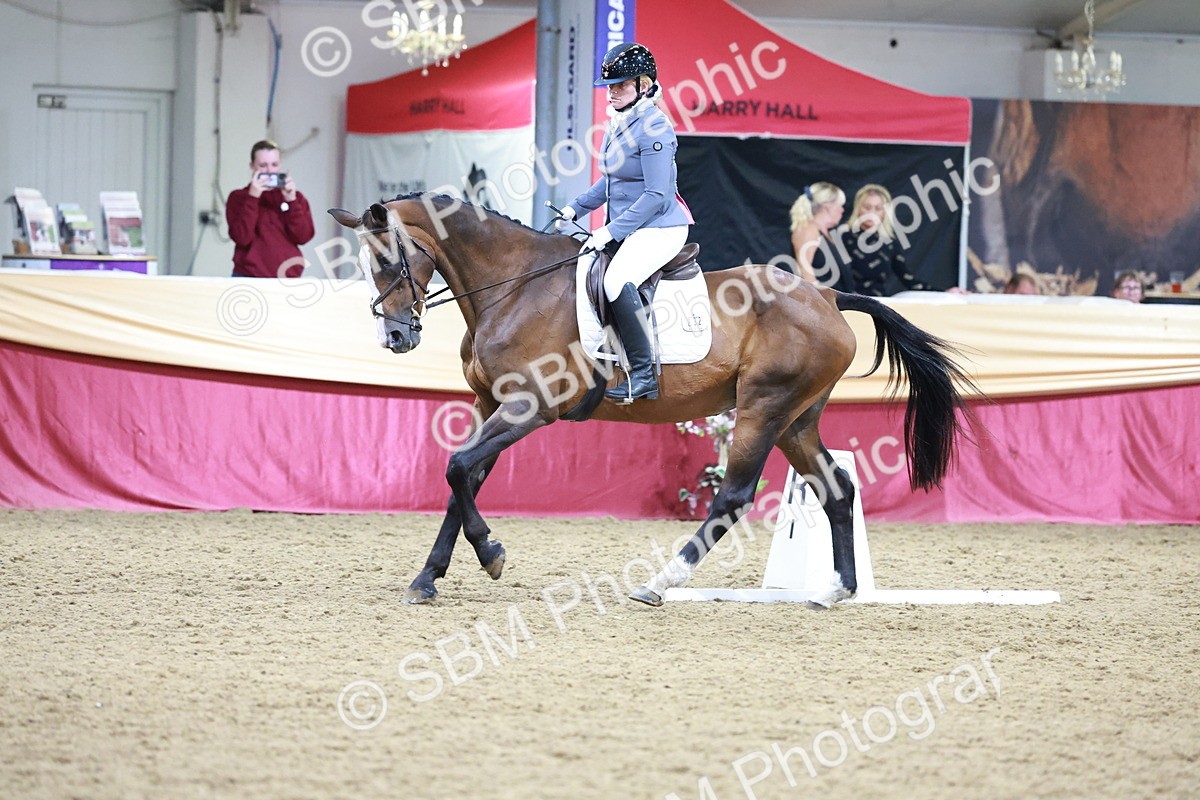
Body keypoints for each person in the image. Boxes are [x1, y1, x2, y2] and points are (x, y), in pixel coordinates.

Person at [555, 42, 692, 404]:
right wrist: (575, 208)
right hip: (634, 225)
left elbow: (657, 195)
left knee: (616, 280)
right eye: (610, 86)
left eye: (620, 85)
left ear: (644, 85)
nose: (612, 92)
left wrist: (610, 231)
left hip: (661, 227)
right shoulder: (621, 122)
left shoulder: (655, 128)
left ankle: (644, 375)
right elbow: (613, 179)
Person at [226, 139, 315, 278]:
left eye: (274, 165)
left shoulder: (295, 197)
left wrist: (291, 201)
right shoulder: (238, 197)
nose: (269, 171)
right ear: (252, 166)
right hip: (248, 276)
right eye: (263, 165)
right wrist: (253, 197)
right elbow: (242, 237)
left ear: (280, 165)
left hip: (287, 277)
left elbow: (303, 237)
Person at [840, 184, 931, 296]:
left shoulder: (890, 244)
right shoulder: (843, 238)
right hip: (848, 304)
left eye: (878, 208)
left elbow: (909, 279)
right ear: (858, 208)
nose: (871, 212)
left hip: (880, 303)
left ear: (885, 212)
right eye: (867, 207)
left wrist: (942, 292)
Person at [789, 182, 851, 291]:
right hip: (822, 302)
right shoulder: (808, 230)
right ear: (828, 207)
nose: (842, 210)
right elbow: (804, 272)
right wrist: (820, 302)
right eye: (840, 205)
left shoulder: (829, 233)